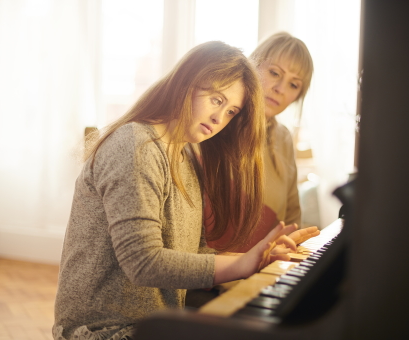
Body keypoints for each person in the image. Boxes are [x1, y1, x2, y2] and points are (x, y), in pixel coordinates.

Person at [52, 41, 298, 340]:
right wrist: (240, 265)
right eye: (216, 100)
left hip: (156, 325)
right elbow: (143, 263)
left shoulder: (186, 156)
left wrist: (258, 258)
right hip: (105, 331)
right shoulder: (135, 145)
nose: (220, 118)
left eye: (232, 111)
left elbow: (191, 252)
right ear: (186, 84)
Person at [205, 32, 320, 254]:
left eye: (294, 85)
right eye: (275, 73)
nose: (281, 88)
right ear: (252, 66)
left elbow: (292, 220)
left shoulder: (284, 139)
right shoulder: (215, 122)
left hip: (265, 277)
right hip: (211, 278)